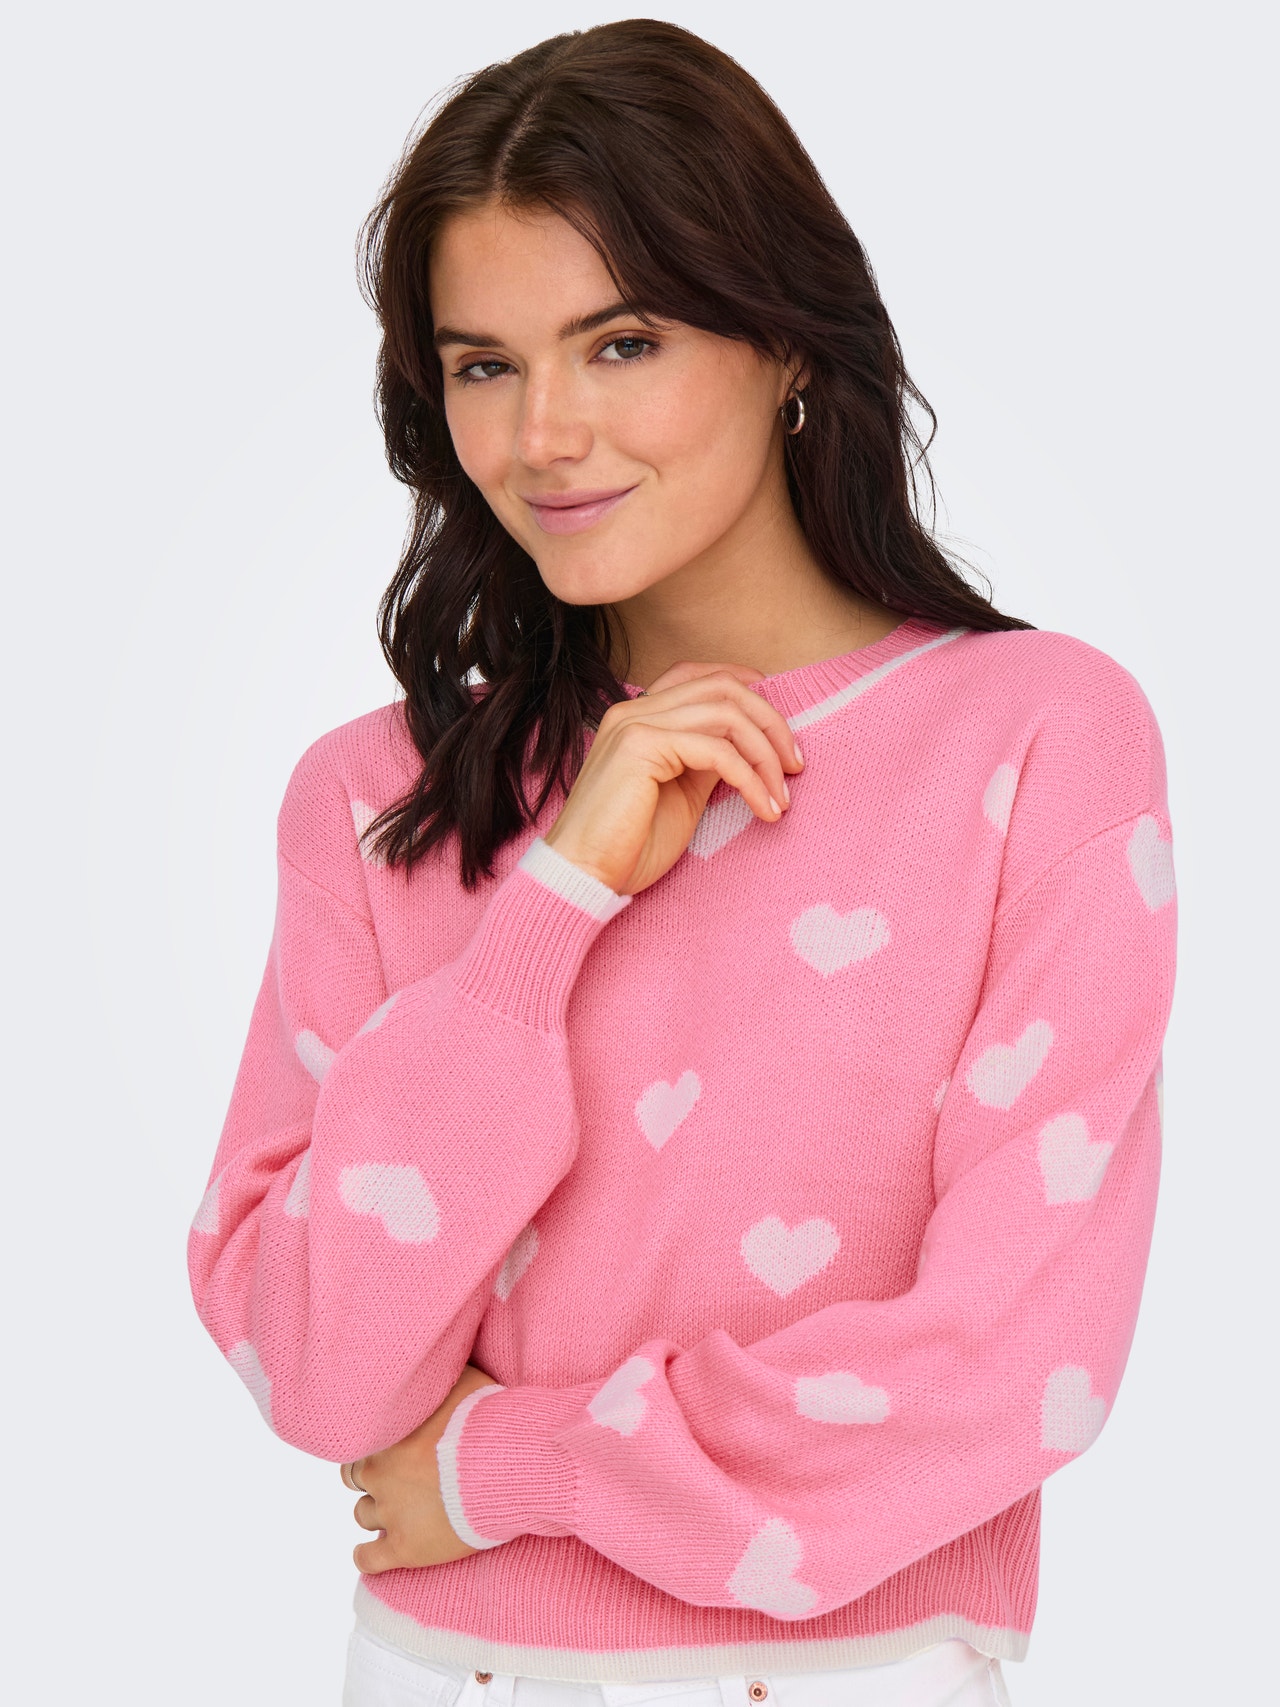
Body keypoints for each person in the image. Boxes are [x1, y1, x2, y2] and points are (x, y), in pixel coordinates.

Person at [187, 20, 1177, 1707]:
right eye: (482, 365)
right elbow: (322, 1369)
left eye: (622, 343)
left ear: (786, 341)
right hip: (433, 1675)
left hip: (855, 1680)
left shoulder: (1036, 738)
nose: (545, 434)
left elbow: (1018, 1361)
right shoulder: (377, 797)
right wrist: (551, 907)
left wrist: (512, 1468)